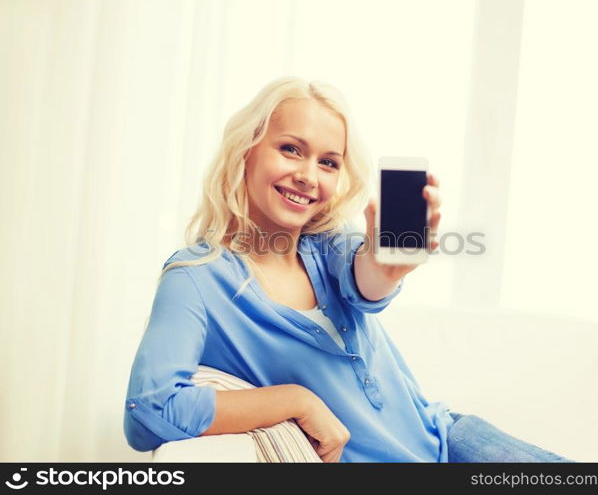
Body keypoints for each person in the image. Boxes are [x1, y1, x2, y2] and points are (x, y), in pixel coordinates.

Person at [123, 76, 573, 463]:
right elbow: (149, 410)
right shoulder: (197, 278)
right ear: (247, 152)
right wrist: (294, 401)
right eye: (290, 149)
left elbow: (367, 281)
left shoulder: (329, 247)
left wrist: (388, 267)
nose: (308, 175)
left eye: (328, 162)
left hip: (452, 439)